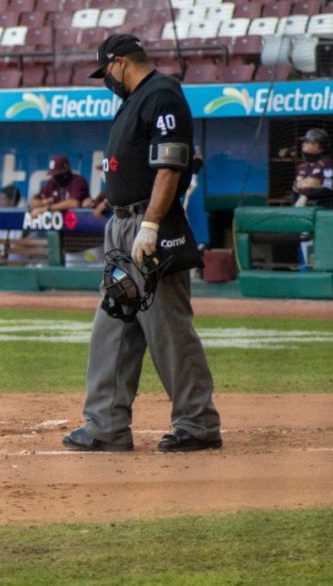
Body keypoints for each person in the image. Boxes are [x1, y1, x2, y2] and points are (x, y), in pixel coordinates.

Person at [63, 33, 221, 454]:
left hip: (150, 227)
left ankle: (198, 423)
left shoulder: (161, 94)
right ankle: (106, 425)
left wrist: (150, 226)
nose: (106, 80)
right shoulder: (135, 99)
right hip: (122, 225)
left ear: (119, 63)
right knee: (113, 325)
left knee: (167, 326)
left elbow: (170, 165)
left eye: (106, 71)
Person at [291, 128, 333, 207]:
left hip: (321, 208)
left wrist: (307, 197)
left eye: (307, 142)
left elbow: (328, 188)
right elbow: (295, 189)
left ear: (317, 146)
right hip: (299, 209)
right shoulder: (301, 167)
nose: (303, 144)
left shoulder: (327, 164)